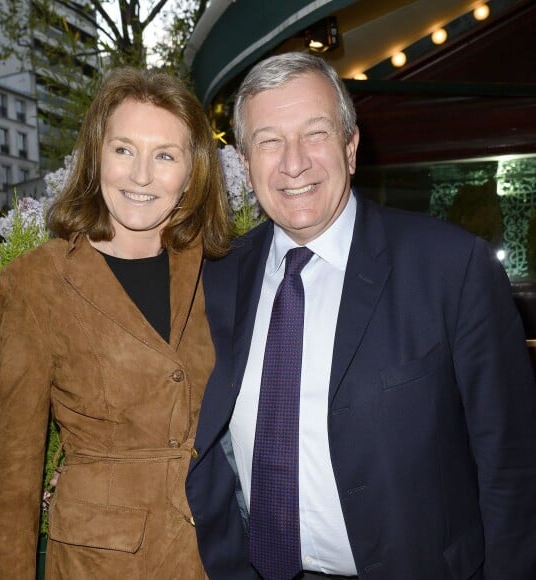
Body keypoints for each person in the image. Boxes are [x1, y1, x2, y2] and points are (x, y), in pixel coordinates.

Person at [185, 52, 536, 580]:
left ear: (351, 147)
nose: (293, 162)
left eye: (315, 134)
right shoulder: (216, 277)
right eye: (269, 141)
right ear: (244, 160)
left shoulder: (450, 267)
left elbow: (511, 466)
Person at [0, 66, 231, 579]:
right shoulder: (37, 282)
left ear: (192, 172)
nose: (141, 175)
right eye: (123, 150)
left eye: (165, 155)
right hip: (102, 563)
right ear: (95, 157)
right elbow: (13, 470)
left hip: (219, 554)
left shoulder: (221, 267)